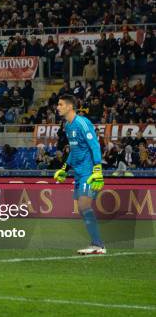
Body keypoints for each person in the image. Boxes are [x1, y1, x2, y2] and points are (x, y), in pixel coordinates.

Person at [54, 95, 105, 255]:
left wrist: (98, 169)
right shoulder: (68, 126)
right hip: (78, 172)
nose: (58, 107)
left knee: (84, 205)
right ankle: (97, 244)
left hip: (89, 172)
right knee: (83, 208)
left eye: (60, 104)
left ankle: (98, 245)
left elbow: (95, 145)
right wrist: (64, 168)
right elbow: (75, 150)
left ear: (70, 107)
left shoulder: (82, 122)